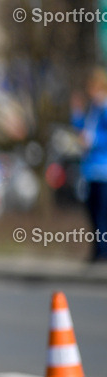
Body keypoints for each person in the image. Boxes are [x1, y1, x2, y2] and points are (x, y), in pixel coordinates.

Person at [71, 67, 107, 262]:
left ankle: (103, 251)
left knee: (103, 214)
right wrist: (76, 113)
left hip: (104, 170)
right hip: (91, 170)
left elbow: (98, 137)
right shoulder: (93, 109)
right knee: (93, 213)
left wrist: (92, 141)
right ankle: (98, 250)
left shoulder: (105, 108)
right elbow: (82, 131)